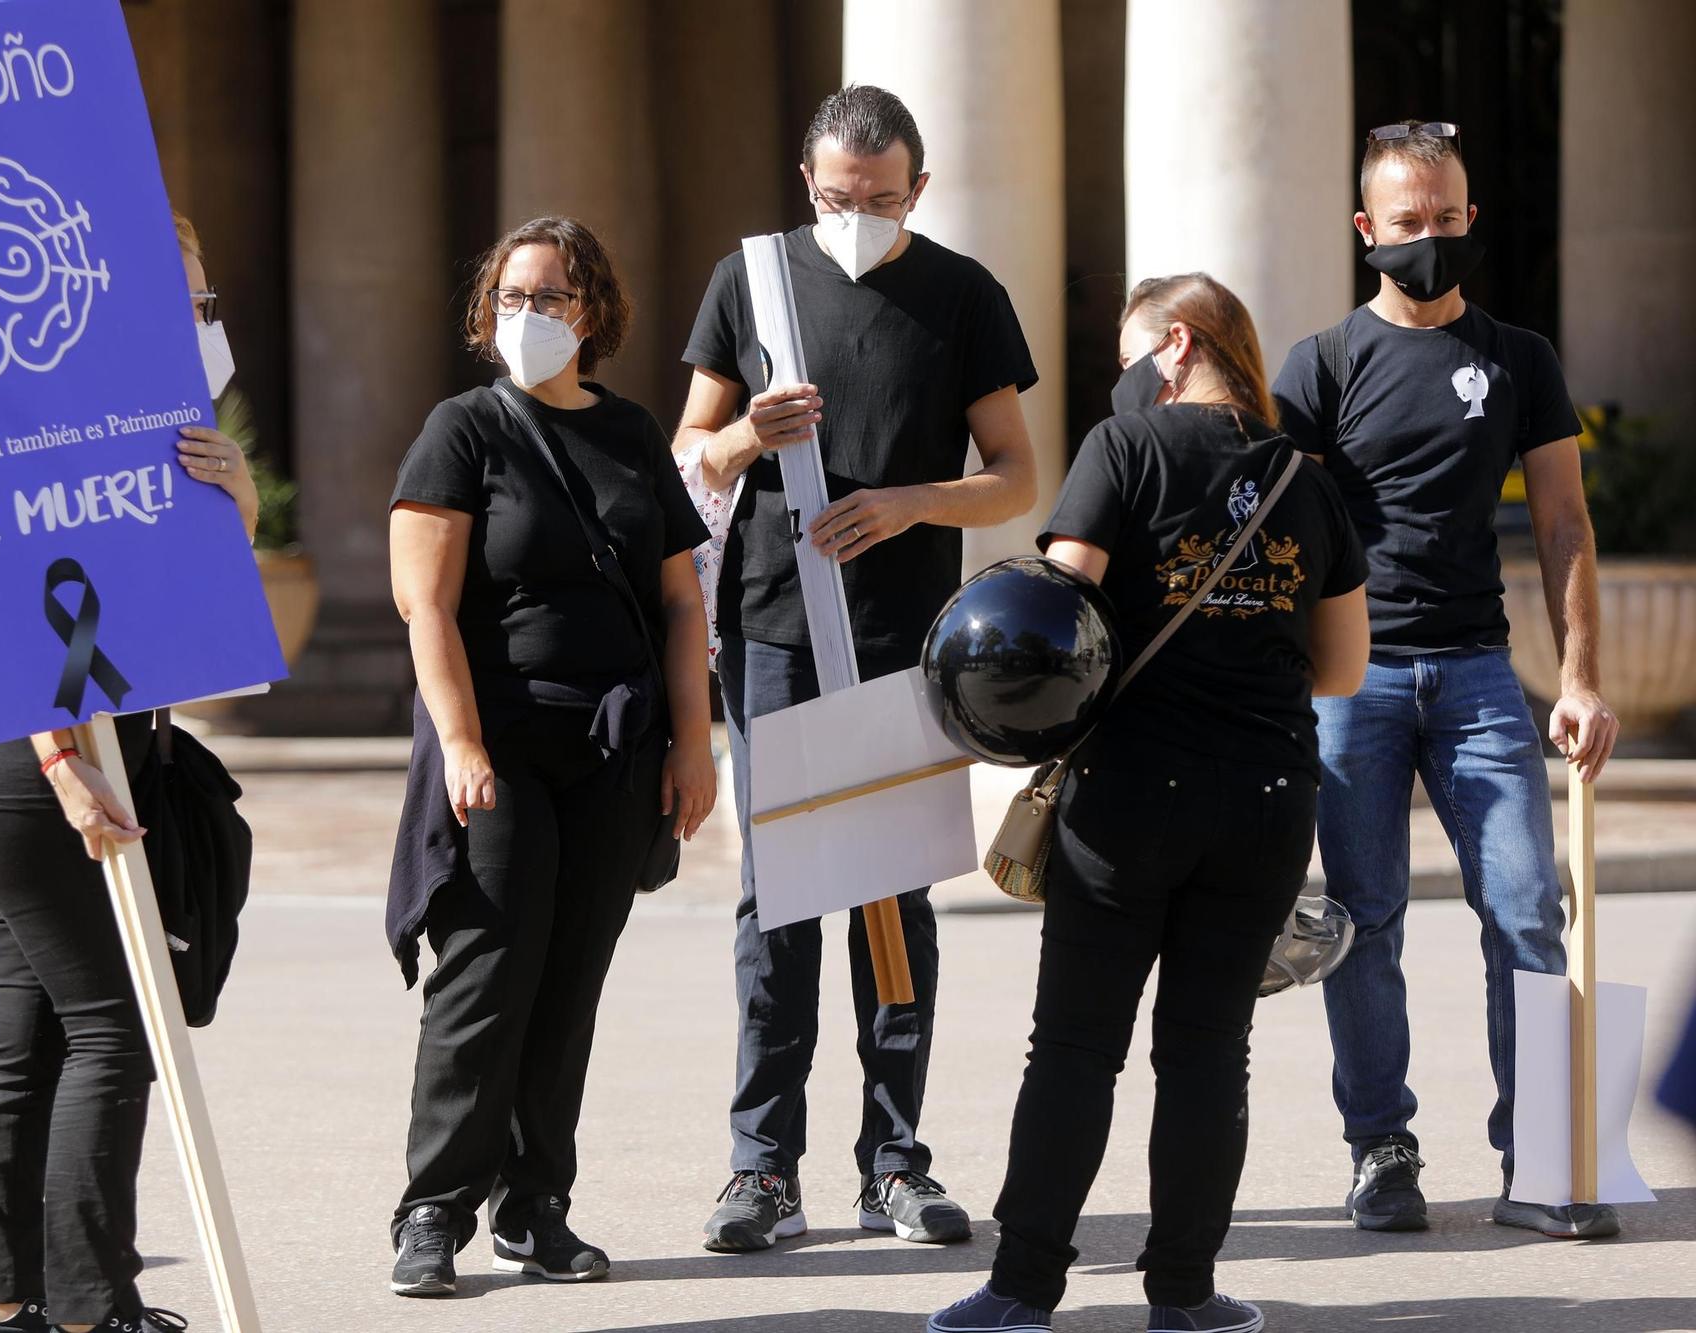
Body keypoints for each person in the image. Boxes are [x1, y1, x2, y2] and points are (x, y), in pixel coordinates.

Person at [932, 274, 1370, 1333]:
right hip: (1267, 795)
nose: (1121, 376)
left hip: (1130, 792)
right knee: (1208, 1049)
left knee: (1077, 1046)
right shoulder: (1307, 483)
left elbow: (1050, 611)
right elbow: (1343, 666)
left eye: (1129, 352)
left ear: (1174, 346)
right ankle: (1183, 1295)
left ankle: (1021, 1290)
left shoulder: (1121, 450)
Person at [674, 82, 1040, 1253]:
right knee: (775, 894)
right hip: (776, 624)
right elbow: (691, 451)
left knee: (892, 889)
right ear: (806, 181)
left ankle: (894, 1161)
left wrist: (905, 504)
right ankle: (758, 1169)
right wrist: (745, 438)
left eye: (880, 199)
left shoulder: (959, 294)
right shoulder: (754, 277)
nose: (857, 215)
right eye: (837, 196)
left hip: (900, 632)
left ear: (917, 191)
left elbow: (1016, 476)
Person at [1271, 120, 1622, 1239]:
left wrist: (1578, 677)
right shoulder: (1318, 365)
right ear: (1367, 231)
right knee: (1362, 919)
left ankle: (1549, 1156)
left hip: (1479, 675)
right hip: (1353, 676)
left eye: (1446, 218)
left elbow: (1563, 523)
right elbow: (1288, 545)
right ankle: (1379, 1144)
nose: (1429, 238)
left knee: (1526, 911)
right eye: (1406, 222)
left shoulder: (1517, 357)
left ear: (1470, 218)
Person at [0, 212, 254, 1333]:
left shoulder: (124, 423)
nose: (203, 324)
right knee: (115, 1027)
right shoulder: (49, 423)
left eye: (207, 304)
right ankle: (89, 1310)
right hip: (33, 763)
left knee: (27, 1035)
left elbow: (197, 613)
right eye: (185, 302)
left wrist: (235, 497)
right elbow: (12, 602)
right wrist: (63, 760)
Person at [384, 216, 718, 1296]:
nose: (531, 315)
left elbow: (678, 603)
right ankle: (433, 1208)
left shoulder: (628, 435)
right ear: (489, 314)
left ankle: (537, 1207)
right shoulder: (461, 429)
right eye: (514, 298)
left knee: (568, 981)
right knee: (485, 974)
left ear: (595, 314)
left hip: (615, 748)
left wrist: (693, 742)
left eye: (554, 297)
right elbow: (422, 603)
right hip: (500, 743)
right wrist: (463, 741)